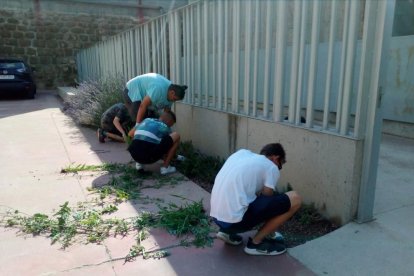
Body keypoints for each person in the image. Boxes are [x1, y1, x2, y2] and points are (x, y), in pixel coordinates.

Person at [210, 143, 302, 256]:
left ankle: (226, 232)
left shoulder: (241, 153)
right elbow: (266, 201)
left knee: (242, 198)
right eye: (280, 165)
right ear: (276, 158)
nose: (279, 169)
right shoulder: (271, 167)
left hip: (217, 217)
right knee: (295, 198)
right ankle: (255, 244)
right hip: (234, 223)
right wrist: (271, 231)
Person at [127, 110, 180, 175]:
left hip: (134, 155)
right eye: (171, 125)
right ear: (169, 121)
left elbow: (130, 134)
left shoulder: (146, 120)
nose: (170, 127)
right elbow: (168, 145)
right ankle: (165, 168)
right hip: (150, 157)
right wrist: (174, 156)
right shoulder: (165, 127)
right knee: (176, 135)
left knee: (142, 138)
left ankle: (139, 164)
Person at [123, 73, 188, 124]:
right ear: (172, 93)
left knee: (151, 120)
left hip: (144, 96)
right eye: (174, 99)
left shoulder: (171, 95)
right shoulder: (158, 89)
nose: (174, 101)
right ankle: (131, 136)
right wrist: (137, 125)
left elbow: (166, 113)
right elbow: (143, 105)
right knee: (138, 120)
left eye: (176, 100)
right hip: (132, 90)